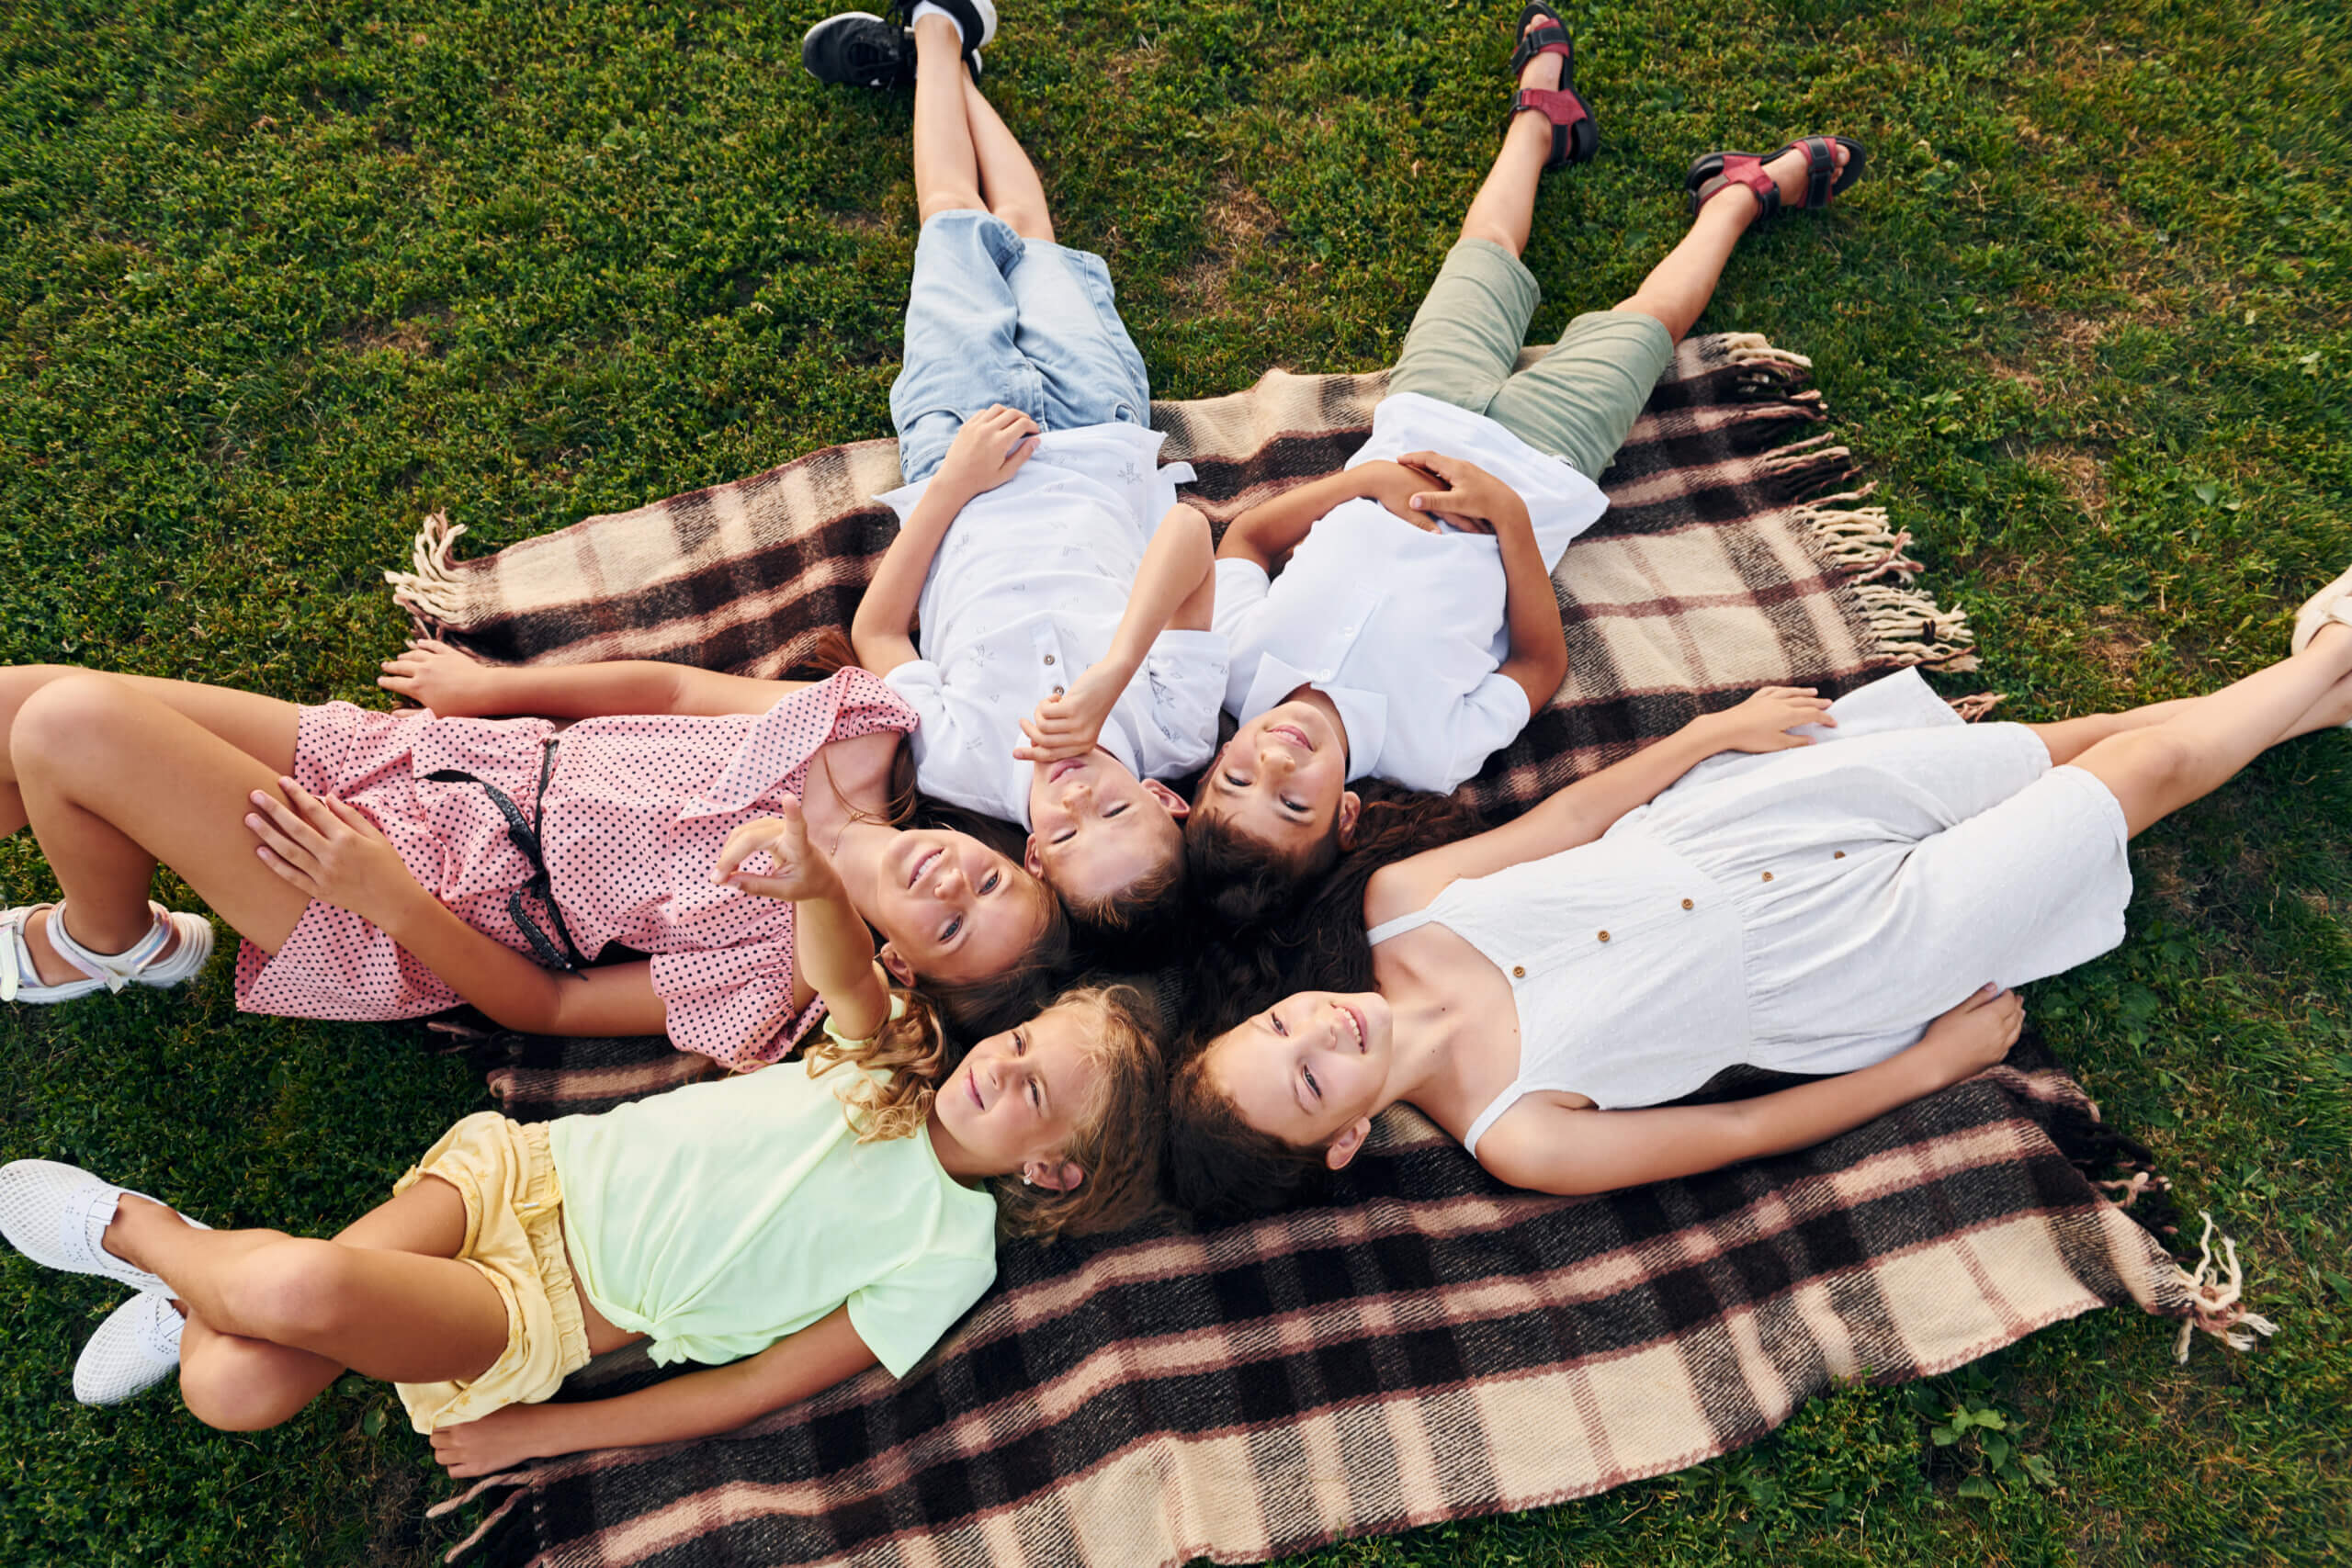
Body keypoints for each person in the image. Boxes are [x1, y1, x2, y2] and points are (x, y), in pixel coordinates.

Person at [0, 795, 1165, 1456]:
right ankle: (135, 1234)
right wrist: (814, 885)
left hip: (545, 1315)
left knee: (236, 1388)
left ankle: (182, 1265)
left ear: (1053, 1171)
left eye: (1030, 1094)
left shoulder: (945, 1254)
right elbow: (847, 975)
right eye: (1014, 1047)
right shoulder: (897, 1063)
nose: (995, 1073)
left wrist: (543, 1438)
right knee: (281, 1309)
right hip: (519, 1181)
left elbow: (750, 1389)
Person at [1166, 569, 2352, 1213]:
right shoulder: (1517, 1134)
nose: (1319, 1026)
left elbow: (1573, 817)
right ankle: (2329, 654)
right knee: (2131, 777)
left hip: (1748, 821)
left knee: (2050, 746)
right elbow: (1740, 1126)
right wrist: (1926, 1065)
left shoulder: (1400, 910)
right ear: (1346, 1139)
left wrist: (1709, 731)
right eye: (1313, 1075)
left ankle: (2323, 688)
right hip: (1858, 953)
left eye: (1279, 1025)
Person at [1189, 1, 1865, 924]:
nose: (1275, 758)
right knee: (1647, 326)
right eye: (1293, 800)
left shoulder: (1234, 667)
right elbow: (1539, 667)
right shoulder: (1431, 755)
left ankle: (1540, 117)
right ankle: (1740, 197)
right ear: (1344, 814)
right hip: (1545, 465)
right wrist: (1507, 515)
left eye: (1237, 775)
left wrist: (1365, 482)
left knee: (1484, 252)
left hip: (1423, 418)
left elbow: (1253, 536)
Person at [0, 653, 1066, 1063]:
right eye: (992, 878)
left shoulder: (775, 969)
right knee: (16, 710)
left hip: (390, 897)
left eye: (957, 926)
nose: (950, 882)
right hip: (427, 760)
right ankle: (112, 921)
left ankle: (111, 941)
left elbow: (549, 1011)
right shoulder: (856, 739)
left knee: (68, 727)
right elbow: (671, 695)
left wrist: (388, 896)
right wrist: (491, 688)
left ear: (912, 968)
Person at [811, 0, 1227, 947]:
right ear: (1165, 798)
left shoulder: (960, 766)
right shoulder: (1177, 731)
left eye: (1070, 832)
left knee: (951, 223)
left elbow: (877, 629)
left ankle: (937, 40)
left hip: (958, 452)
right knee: (1031, 230)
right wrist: (1115, 673)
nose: (1080, 796)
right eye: (1119, 811)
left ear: (1034, 854)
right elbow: (1192, 537)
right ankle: (939, 47)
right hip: (1097, 433)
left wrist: (955, 483)